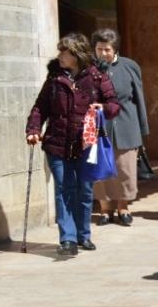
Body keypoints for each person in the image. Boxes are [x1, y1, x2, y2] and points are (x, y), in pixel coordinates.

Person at [26, 33, 121, 256]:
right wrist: (33, 130)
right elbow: (40, 107)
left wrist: (102, 109)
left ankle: (83, 235)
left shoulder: (97, 77)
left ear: (76, 55)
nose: (59, 56)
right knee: (63, 189)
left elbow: (114, 105)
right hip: (57, 144)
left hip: (87, 144)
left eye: (64, 52)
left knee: (85, 190)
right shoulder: (54, 79)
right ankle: (67, 239)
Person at [90, 29, 149, 227]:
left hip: (126, 123)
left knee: (125, 169)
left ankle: (123, 207)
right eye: (99, 49)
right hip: (99, 125)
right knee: (101, 169)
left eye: (107, 49)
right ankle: (105, 209)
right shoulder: (89, 69)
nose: (103, 53)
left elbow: (138, 98)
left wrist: (142, 128)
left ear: (115, 49)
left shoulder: (130, 66)